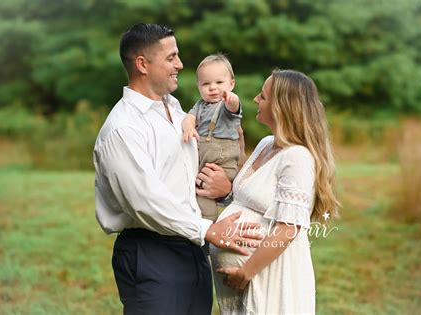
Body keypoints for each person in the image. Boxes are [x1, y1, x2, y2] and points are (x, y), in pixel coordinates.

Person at [93, 23, 261, 315]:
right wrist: (208, 230)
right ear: (143, 64)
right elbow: (145, 202)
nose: (180, 65)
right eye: (171, 57)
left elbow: (196, 175)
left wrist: (224, 190)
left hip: (193, 248)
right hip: (151, 252)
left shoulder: (180, 114)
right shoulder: (123, 128)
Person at [210, 69, 340, 314]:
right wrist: (237, 151)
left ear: (282, 107)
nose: (256, 100)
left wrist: (246, 272)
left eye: (263, 96)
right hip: (250, 276)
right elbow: (250, 192)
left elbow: (288, 228)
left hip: (271, 275)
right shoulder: (266, 144)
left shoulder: (298, 157)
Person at [182, 54, 242, 221]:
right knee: (201, 196)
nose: (213, 88)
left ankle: (216, 224)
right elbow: (189, 118)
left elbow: (234, 107)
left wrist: (231, 99)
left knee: (212, 192)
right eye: (206, 84)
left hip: (224, 164)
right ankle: (206, 226)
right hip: (204, 163)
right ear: (198, 86)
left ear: (232, 83)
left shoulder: (226, 105)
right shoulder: (200, 105)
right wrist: (188, 127)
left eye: (219, 83)